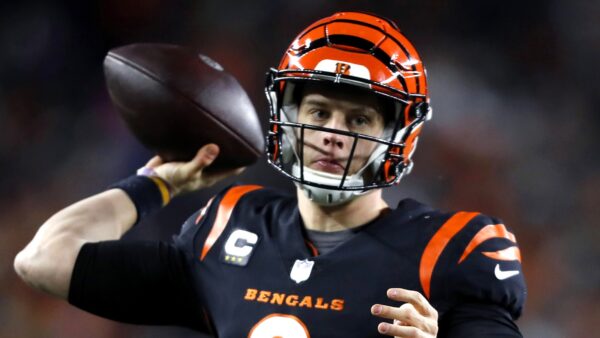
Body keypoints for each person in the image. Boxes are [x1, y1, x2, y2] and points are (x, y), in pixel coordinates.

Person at [14, 12, 526, 338]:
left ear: (399, 136)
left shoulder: (453, 250)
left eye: (359, 120)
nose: (334, 133)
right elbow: (44, 259)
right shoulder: (229, 228)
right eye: (319, 112)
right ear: (287, 118)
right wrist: (158, 184)